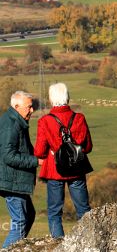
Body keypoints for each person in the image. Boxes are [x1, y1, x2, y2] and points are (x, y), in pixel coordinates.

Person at [34, 82, 93, 238]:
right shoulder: (79, 118)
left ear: (51, 99)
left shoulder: (45, 121)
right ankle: (86, 241)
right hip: (77, 168)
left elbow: (39, 151)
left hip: (54, 169)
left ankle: (57, 245)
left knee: (54, 212)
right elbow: (87, 147)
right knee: (83, 209)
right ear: (67, 97)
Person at [0, 91, 43, 248]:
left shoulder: (16, 121)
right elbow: (8, 156)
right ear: (16, 106)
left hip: (16, 180)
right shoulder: (11, 124)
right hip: (12, 181)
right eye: (29, 107)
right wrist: (36, 161)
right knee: (20, 221)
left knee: (29, 215)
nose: (32, 110)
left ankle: (16, 251)